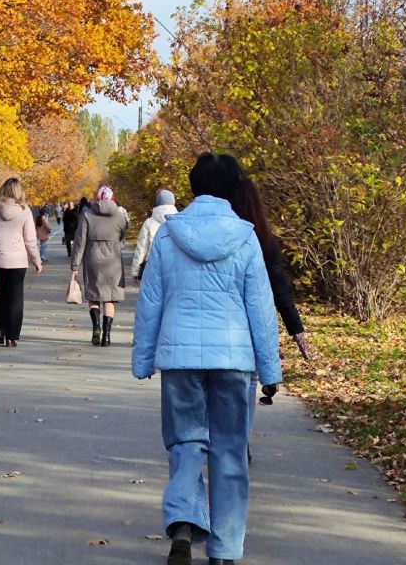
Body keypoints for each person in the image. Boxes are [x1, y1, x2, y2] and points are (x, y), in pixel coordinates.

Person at [132, 153, 281, 565]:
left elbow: (151, 302)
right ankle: (225, 551)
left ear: (193, 188)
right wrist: (270, 368)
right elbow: (261, 308)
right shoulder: (246, 237)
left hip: (180, 359)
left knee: (185, 442)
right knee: (230, 451)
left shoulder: (168, 235)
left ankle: (183, 521)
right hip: (234, 359)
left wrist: (143, 359)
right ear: (233, 190)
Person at [230, 177, 309, 360]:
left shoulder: (222, 238)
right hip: (254, 324)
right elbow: (279, 285)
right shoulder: (264, 240)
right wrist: (296, 328)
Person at [0, 178, 43, 347]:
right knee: (16, 297)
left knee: (1, 295)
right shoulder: (25, 211)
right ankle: (11, 336)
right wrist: (37, 260)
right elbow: (30, 240)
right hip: (18, 261)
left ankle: (1, 329)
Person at [72, 186, 129, 347]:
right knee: (109, 299)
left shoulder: (87, 215)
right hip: (113, 262)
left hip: (93, 259)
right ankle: (107, 336)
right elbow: (122, 237)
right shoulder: (119, 216)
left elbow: (80, 241)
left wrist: (75, 265)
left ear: (97, 198)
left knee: (94, 296)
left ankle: (96, 327)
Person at [133, 189, 178, 282]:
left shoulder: (149, 222)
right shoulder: (180, 221)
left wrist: (136, 271)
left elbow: (141, 248)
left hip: (152, 266)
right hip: (175, 266)